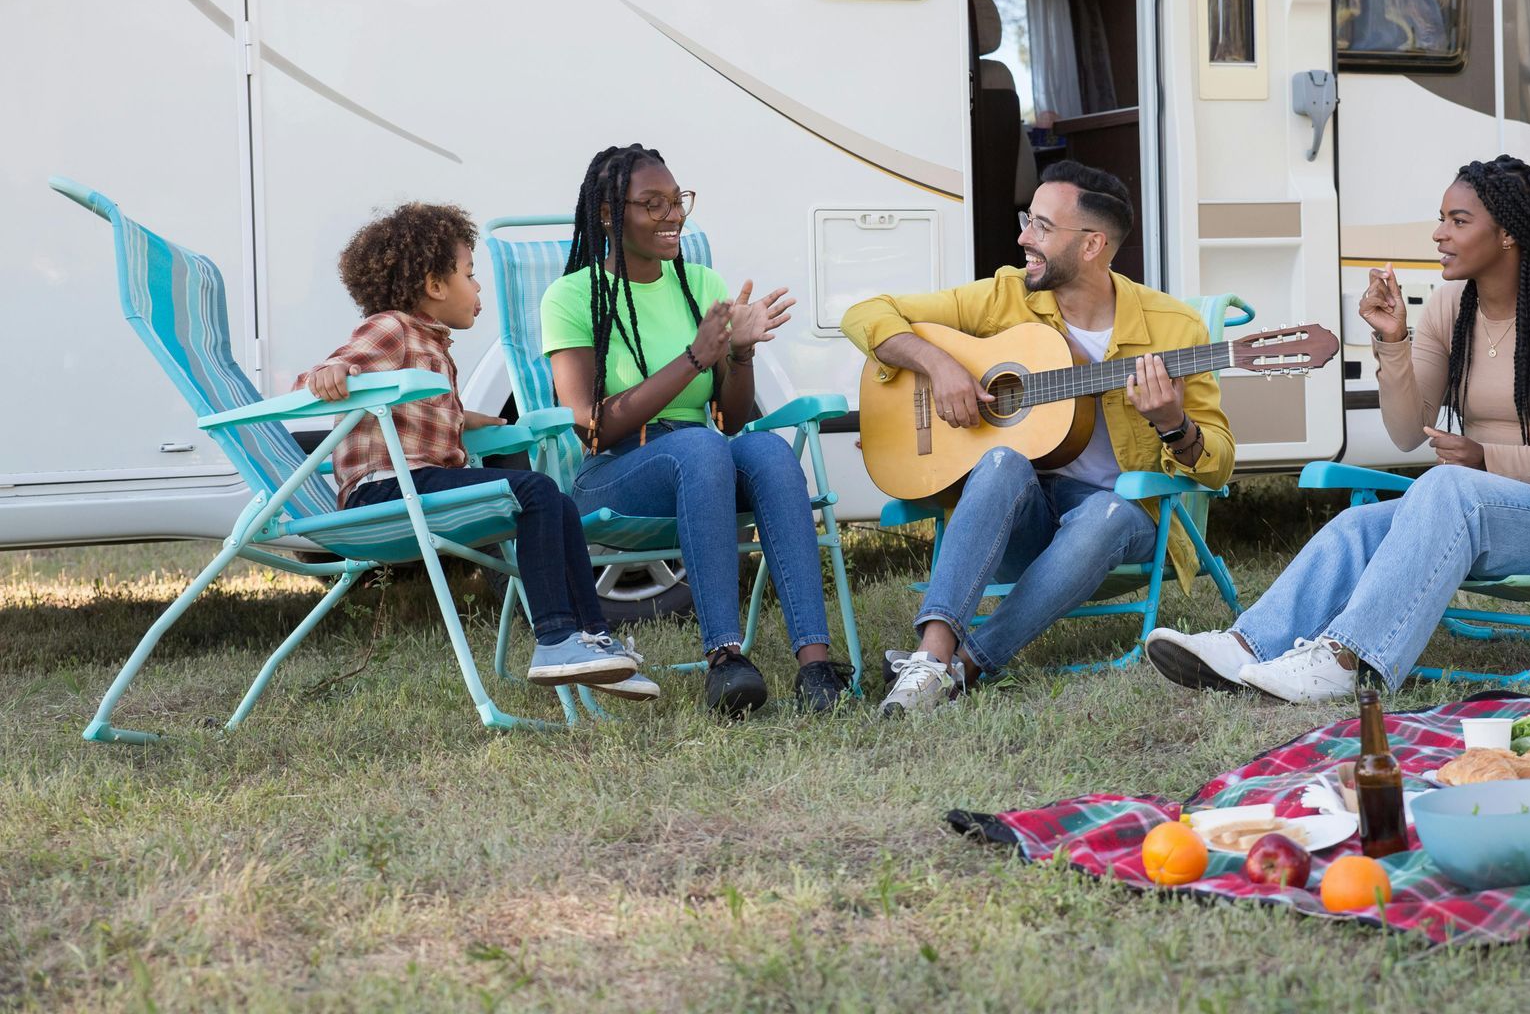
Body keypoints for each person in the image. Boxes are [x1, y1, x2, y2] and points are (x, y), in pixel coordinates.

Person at [1146, 156, 1530, 701]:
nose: (1439, 233)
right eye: (1441, 218)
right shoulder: (1453, 305)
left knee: (1448, 485)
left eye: (1458, 220)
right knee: (1358, 525)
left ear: (1508, 235)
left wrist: (1488, 459)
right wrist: (1392, 342)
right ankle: (1245, 647)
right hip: (1475, 514)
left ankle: (1345, 658)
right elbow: (1406, 433)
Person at [841, 160, 1236, 715]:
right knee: (1002, 459)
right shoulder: (1007, 297)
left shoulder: (1175, 330)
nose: (1023, 236)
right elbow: (863, 314)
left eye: (1042, 227)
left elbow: (1217, 467)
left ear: (1093, 244)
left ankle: (969, 665)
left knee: (1114, 511)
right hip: (1015, 519)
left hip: (1112, 527)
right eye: (1029, 219)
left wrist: (1174, 423)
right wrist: (938, 364)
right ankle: (932, 658)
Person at [300, 203, 658, 700]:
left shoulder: (432, 345)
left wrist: (467, 419)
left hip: (417, 486)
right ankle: (556, 639)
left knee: (555, 502)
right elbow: (339, 367)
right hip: (384, 491)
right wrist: (330, 375)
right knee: (535, 492)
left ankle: (592, 640)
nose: (479, 287)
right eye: (470, 274)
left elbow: (416, 410)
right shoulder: (392, 328)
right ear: (434, 285)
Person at [543, 144, 851, 717]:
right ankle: (725, 660)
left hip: (700, 456)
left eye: (677, 200)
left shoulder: (699, 281)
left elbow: (732, 419)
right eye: (652, 204)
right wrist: (692, 357)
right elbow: (592, 427)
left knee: (767, 451)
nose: (673, 215)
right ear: (610, 214)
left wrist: (740, 355)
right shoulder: (571, 297)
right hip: (614, 475)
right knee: (701, 448)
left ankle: (815, 666)